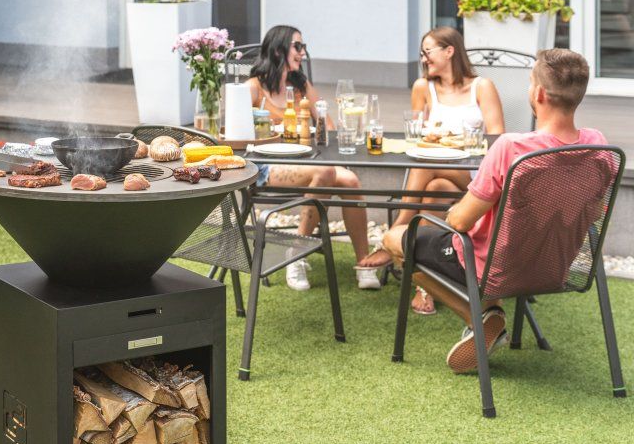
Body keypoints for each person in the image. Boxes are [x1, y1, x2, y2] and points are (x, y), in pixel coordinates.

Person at [381, 49, 605, 373]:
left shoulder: (512, 148)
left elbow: (460, 221)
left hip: (496, 270)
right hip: (555, 269)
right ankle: (489, 314)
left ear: (539, 94)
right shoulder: (598, 148)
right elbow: (593, 213)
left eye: (531, 83)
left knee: (394, 239)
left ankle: (483, 319)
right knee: (481, 241)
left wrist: (455, 210)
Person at [357, 27, 504, 315]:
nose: (424, 59)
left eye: (428, 52)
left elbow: (497, 138)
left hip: (472, 174)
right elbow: (416, 138)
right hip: (439, 176)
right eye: (422, 53)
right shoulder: (423, 88)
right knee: (435, 188)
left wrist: (458, 141)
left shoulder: (482, 87)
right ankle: (425, 287)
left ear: (449, 51)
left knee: (427, 164)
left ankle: (394, 233)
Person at [246, 25, 378, 291]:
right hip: (267, 166)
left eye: (303, 47)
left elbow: (326, 123)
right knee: (326, 172)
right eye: (297, 46)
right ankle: (297, 252)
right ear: (278, 50)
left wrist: (334, 138)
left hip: (309, 160)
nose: (303, 52)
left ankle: (364, 262)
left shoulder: (300, 86)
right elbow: (236, 133)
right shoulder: (254, 88)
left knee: (350, 180)